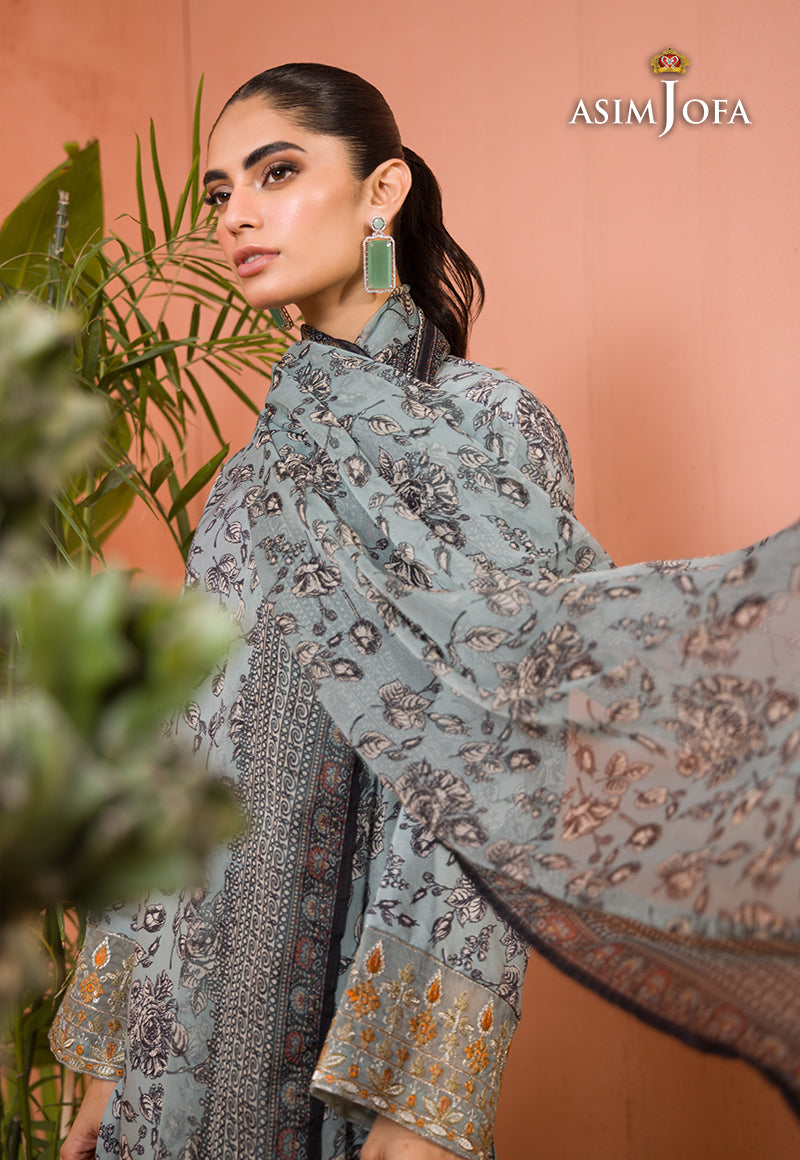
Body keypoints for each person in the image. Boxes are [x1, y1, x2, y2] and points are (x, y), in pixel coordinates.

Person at [51, 63, 800, 1160]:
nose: (235, 214)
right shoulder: (248, 478)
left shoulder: (487, 427)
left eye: (275, 172)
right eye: (218, 191)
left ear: (381, 191)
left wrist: (419, 1101)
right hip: (184, 1032)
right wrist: (110, 1058)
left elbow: (491, 768)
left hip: (350, 1026)